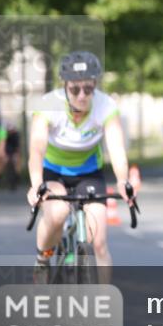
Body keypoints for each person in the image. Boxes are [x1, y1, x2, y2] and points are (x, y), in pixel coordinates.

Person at [27, 51, 133, 283]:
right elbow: (36, 149)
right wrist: (36, 185)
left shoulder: (105, 106)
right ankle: (43, 260)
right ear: (64, 86)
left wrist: (123, 181)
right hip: (54, 171)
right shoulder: (48, 105)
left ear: (95, 85)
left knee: (100, 242)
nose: (82, 96)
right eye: (75, 89)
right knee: (57, 213)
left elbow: (116, 149)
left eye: (88, 89)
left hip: (89, 173)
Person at [4, 122, 21, 190]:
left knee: (16, 161)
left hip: (14, 151)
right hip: (7, 152)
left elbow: (17, 146)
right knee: (6, 163)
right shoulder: (5, 135)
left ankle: (17, 176)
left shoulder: (16, 135)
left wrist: (17, 154)